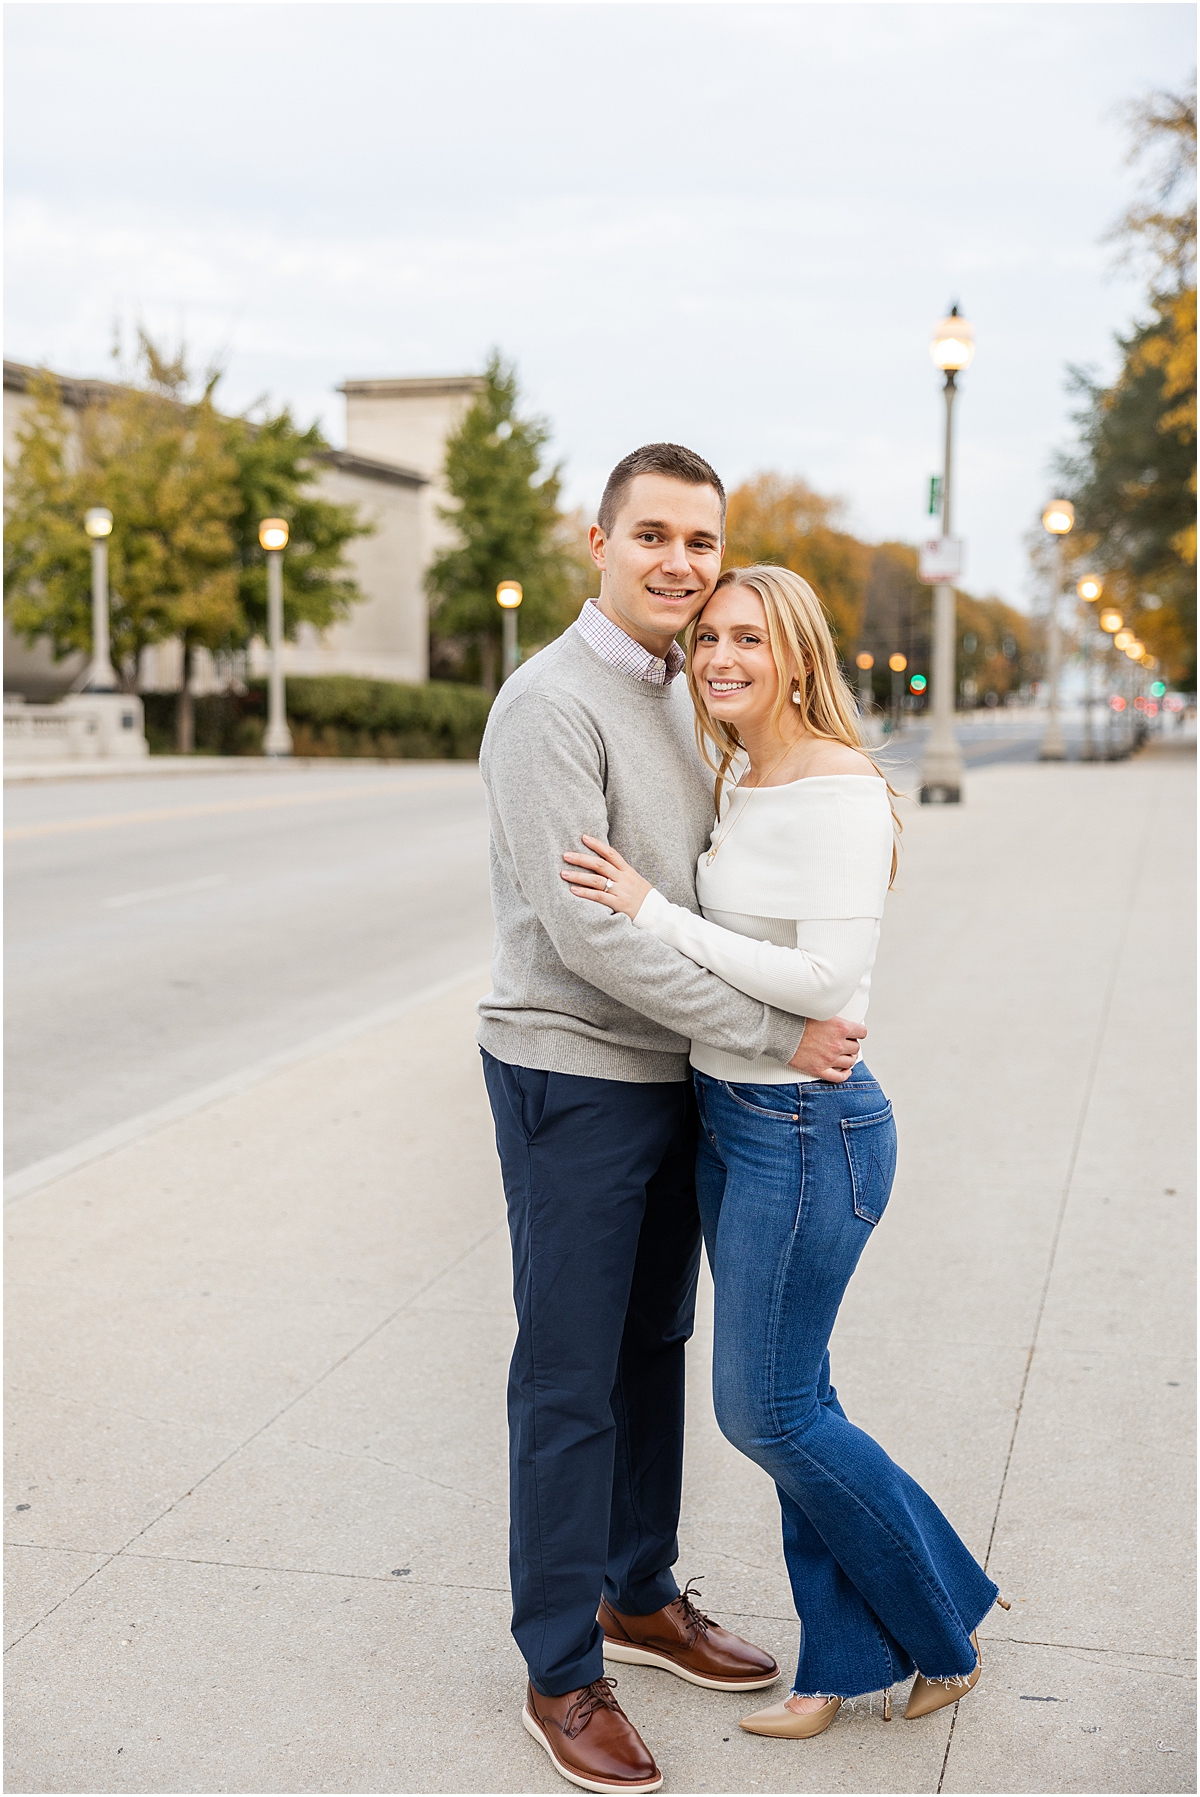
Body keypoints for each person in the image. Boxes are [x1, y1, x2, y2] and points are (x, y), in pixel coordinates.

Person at [478, 446, 869, 1793]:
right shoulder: (550, 706)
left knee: (655, 1343)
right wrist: (773, 1031)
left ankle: (636, 1594)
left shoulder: (688, 690)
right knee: (572, 1375)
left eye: (700, 541)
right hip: (574, 1071)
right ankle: (559, 1667)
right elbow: (591, 937)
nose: (679, 563)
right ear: (598, 542)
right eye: (653, 534)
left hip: (676, 1079)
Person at [562, 564, 1007, 1742]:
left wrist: (654, 910)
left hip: (810, 1131)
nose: (720, 658)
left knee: (767, 1415)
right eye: (708, 638)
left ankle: (944, 1626)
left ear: (797, 654)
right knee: (797, 1401)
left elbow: (825, 983)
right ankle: (837, 1666)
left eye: (748, 639)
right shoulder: (748, 775)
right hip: (736, 1120)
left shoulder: (840, 788)